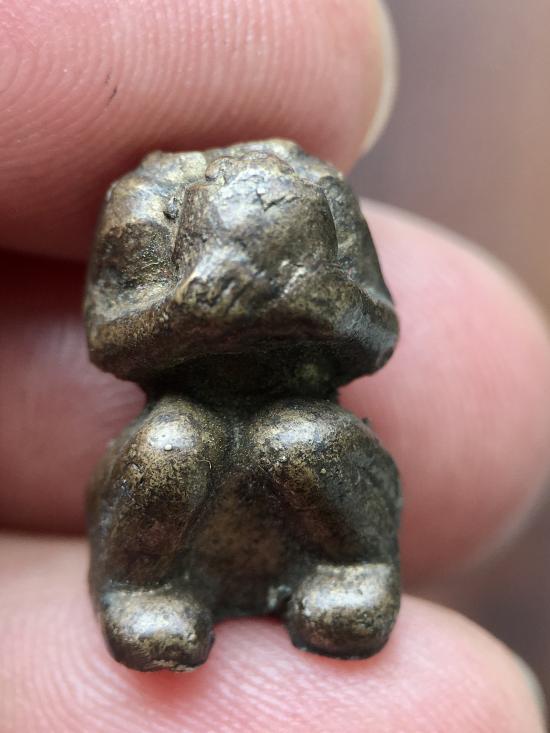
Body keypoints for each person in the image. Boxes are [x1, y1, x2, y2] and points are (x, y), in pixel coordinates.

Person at [1, 1, 549, 730]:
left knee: (303, 441)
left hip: (301, 408)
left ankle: (350, 568)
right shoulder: (146, 202)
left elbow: (377, 330)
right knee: (171, 447)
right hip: (189, 410)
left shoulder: (320, 192)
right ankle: (145, 586)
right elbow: (111, 338)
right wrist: (188, 311)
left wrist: (309, 300)